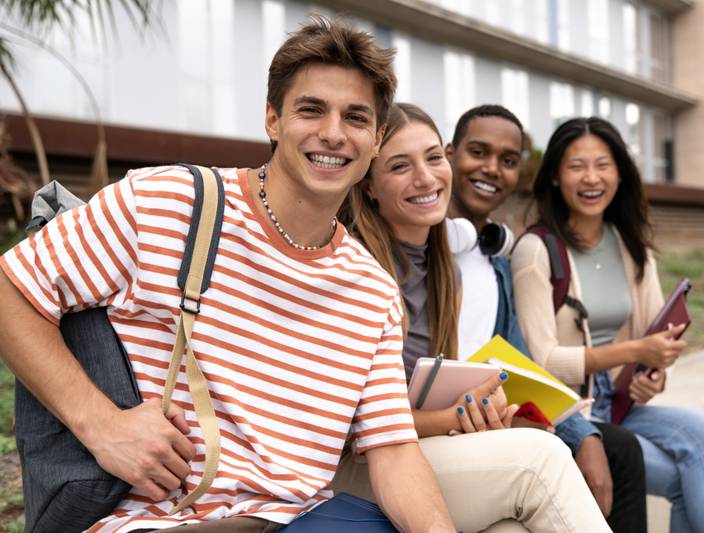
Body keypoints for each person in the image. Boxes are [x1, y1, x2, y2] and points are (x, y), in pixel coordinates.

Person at [0, 17, 457, 532]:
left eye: (355, 117)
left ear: (375, 140)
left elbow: (394, 453)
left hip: (296, 521)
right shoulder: (168, 203)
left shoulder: (371, 291)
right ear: (272, 120)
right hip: (148, 520)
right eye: (311, 109)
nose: (332, 133)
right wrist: (103, 426)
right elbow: (11, 287)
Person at [335, 102, 611, 533]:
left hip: (419, 449)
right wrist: (456, 419)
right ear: (369, 185)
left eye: (432, 158)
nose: (425, 178)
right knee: (541, 461)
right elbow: (356, 427)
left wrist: (481, 412)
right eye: (399, 166)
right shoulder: (355, 270)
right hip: (359, 467)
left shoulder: (447, 272)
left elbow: (431, 396)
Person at [511, 116, 704, 533]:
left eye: (603, 164)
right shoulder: (535, 251)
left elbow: (653, 338)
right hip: (570, 415)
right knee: (689, 481)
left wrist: (652, 375)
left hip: (620, 403)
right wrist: (636, 352)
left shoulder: (630, 245)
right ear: (554, 178)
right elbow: (541, 360)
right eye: (576, 165)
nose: (591, 177)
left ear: (620, 173)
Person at [446, 105, 648, 532]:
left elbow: (520, 361)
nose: (491, 168)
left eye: (508, 160)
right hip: (448, 428)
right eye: (478, 152)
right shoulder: (423, 253)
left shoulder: (495, 264)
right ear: (448, 155)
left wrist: (583, 433)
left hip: (492, 420)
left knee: (618, 449)